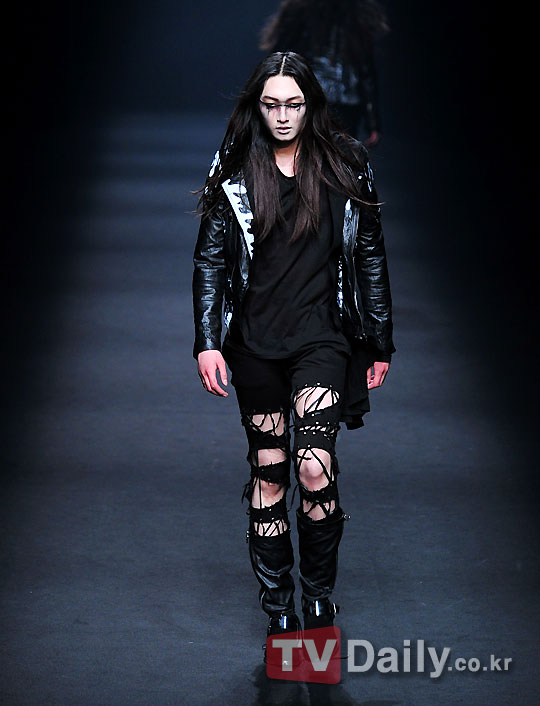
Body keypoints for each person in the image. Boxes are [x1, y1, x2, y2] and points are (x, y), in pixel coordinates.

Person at [192, 51, 394, 655]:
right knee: (270, 472)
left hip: (322, 338)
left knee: (314, 466)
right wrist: (207, 341)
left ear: (311, 105)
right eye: (271, 104)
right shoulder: (235, 168)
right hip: (254, 343)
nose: (283, 116)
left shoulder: (345, 162)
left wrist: (379, 339)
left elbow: (370, 252)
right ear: (257, 107)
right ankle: (278, 608)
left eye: (294, 104)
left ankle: (319, 597)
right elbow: (210, 259)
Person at [259, 0, 389, 147]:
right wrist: (373, 122)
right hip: (343, 100)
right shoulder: (358, 15)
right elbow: (366, 73)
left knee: (310, 152)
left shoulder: (299, 11)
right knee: (337, 154)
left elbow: (280, 60)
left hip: (313, 96)